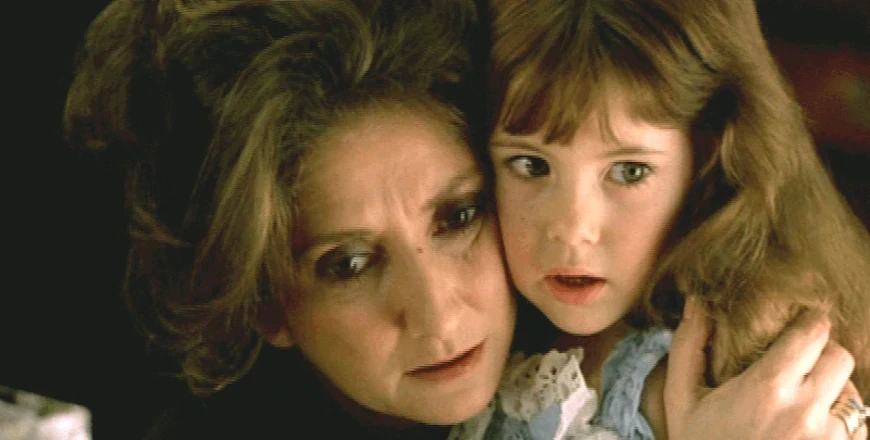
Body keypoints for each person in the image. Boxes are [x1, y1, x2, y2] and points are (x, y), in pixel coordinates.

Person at [63, 0, 867, 439]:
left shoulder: (635, 334)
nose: (440, 313)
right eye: (350, 263)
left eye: (458, 217)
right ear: (267, 302)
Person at [451, 0, 870, 438]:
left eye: (630, 172)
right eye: (532, 166)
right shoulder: (488, 346)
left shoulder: (723, 384)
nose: (573, 231)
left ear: (707, 161)